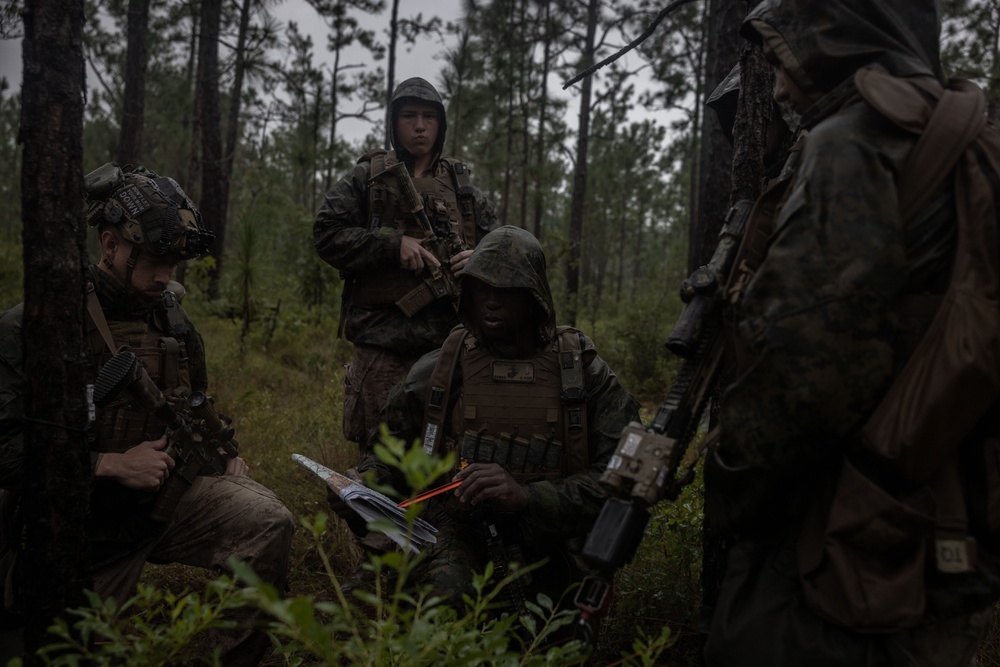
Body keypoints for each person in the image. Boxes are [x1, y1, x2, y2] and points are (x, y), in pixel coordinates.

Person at [703, 1, 1000, 665]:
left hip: (836, 548)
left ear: (834, 40)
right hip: (948, 521)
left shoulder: (850, 144)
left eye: (785, 61)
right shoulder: (963, 137)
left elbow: (804, 378)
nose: (778, 89)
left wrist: (723, 480)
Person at [0, 163, 295, 665]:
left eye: (174, 262)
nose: (166, 276)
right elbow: (5, 452)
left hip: (162, 508)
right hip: (75, 532)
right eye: (155, 260)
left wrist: (224, 455)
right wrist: (105, 464)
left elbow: (197, 403)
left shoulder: (173, 321)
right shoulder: (35, 325)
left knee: (268, 520)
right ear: (110, 245)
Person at [332, 225, 641, 610]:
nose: (492, 302)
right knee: (445, 605)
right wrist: (364, 487)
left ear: (534, 295)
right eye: (482, 288)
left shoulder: (581, 372)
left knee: (557, 634)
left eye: (507, 290)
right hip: (458, 531)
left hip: (551, 537)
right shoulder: (444, 366)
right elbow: (388, 452)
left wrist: (528, 498)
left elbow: (626, 480)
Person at [314, 76, 499, 452]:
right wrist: (392, 245)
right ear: (394, 122)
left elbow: (504, 250)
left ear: (440, 124)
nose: (419, 125)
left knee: (441, 450)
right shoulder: (367, 177)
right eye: (410, 116)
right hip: (380, 343)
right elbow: (326, 233)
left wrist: (478, 260)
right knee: (380, 454)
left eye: (429, 117)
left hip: (446, 346)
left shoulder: (462, 187)